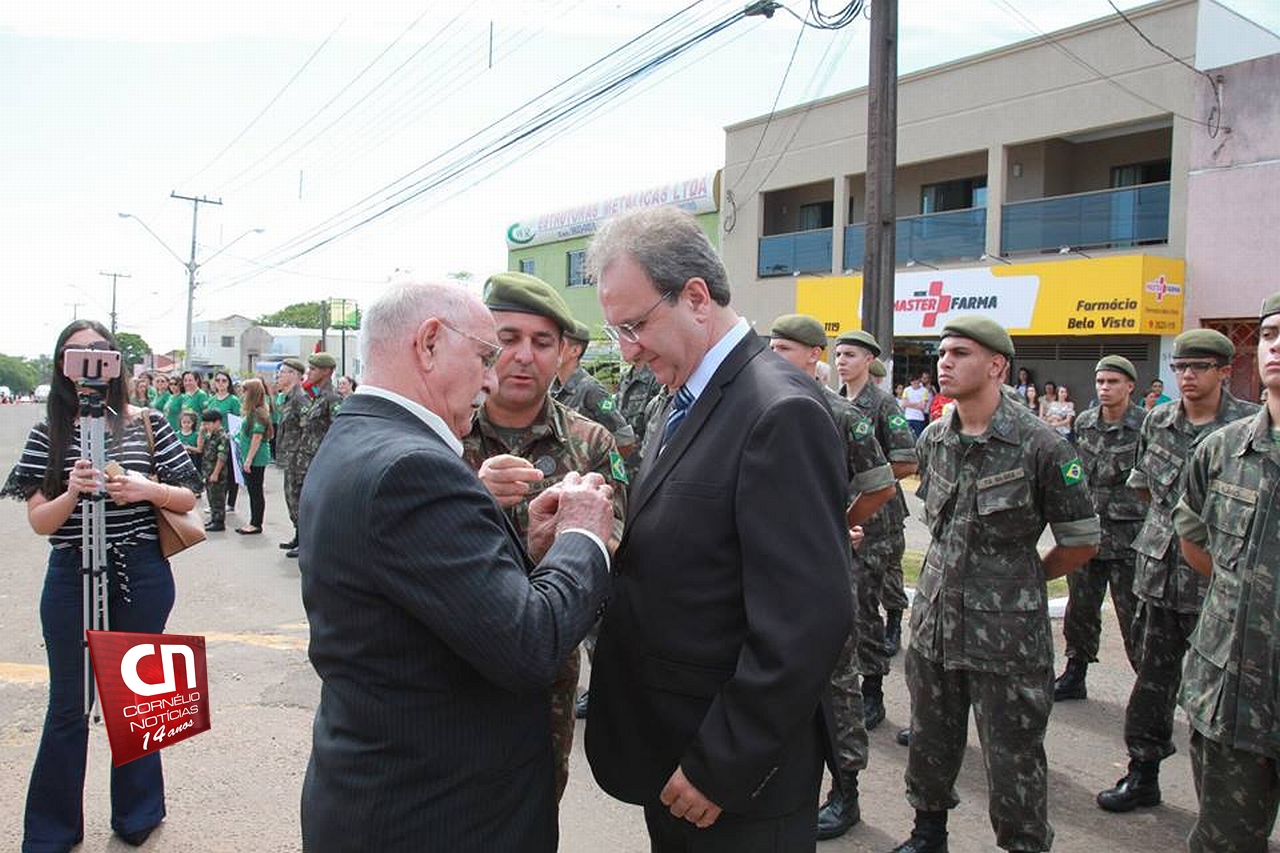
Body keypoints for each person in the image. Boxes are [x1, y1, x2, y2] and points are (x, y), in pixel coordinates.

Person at [298, 280, 613, 853]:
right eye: (486, 355)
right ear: (429, 343)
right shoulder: (414, 467)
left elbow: (440, 597)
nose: (492, 378)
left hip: (392, 795)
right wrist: (582, 536)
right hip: (438, 816)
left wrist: (533, 550)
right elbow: (529, 644)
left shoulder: (363, 436)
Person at [583, 207, 852, 852]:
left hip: (729, 783)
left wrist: (720, 765)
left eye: (635, 325)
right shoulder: (684, 398)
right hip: (672, 749)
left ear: (696, 298)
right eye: (616, 330)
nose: (628, 350)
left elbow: (805, 622)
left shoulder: (778, 410)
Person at [889, 316, 1099, 853]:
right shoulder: (936, 438)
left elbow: (1080, 541)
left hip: (1006, 638)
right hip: (936, 623)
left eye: (960, 353)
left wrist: (1022, 582)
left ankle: (1024, 844)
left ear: (997, 365)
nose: (945, 362)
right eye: (942, 353)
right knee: (931, 739)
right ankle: (927, 832)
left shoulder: (1042, 445)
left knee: (1013, 755)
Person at [3, 320, 200, 853]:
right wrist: (72, 491)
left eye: (98, 351)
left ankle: (138, 813)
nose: (88, 363)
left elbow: (187, 499)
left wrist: (142, 489)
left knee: (138, 698)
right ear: (62, 365)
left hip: (141, 572)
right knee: (68, 704)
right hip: (71, 572)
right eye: (75, 353)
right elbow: (41, 522)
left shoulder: (149, 424)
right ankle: (51, 831)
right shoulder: (52, 431)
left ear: (114, 360)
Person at [461, 272, 628, 804]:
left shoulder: (590, 441)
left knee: (535, 799)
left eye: (542, 342)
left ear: (563, 355)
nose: (524, 356)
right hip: (453, 652)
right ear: (484, 347)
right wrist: (472, 496)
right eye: (507, 339)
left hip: (547, 661)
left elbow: (612, 540)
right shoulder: (444, 433)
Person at [1097, 328, 1259, 813]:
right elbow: (1146, 488)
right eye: (1180, 367)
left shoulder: (1249, 426)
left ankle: (1228, 803)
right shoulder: (1160, 420)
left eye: (1199, 367)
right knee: (1151, 683)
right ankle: (1142, 773)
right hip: (1157, 577)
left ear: (1225, 372)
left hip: (1218, 585)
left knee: (1224, 696)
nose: (1187, 376)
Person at [769, 316, 895, 842]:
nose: (774, 356)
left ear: (813, 355)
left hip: (823, 570)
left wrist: (837, 528)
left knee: (837, 682)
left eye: (785, 348)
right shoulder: (762, 406)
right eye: (770, 347)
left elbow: (880, 486)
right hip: (771, 569)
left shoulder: (843, 416)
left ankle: (846, 792)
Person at [1173, 291, 1280, 852]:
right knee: (1225, 841)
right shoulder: (1222, 451)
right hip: (1233, 693)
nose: (1276, 346)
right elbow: (1194, 539)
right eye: (1268, 335)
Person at [1054, 356, 1146, 702]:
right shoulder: (1086, 422)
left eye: (1113, 382)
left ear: (1129, 386)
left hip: (1130, 539)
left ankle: (1147, 683)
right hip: (1088, 533)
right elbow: (1073, 469)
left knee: (1134, 615)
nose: (1105, 388)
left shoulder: (1147, 426)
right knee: (1081, 608)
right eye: (1100, 382)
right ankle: (1075, 673)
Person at [283, 353, 341, 558]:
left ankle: (307, 544)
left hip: (317, 459)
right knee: (298, 498)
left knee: (309, 502)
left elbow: (337, 430)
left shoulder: (332, 398)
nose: (309, 372)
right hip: (303, 458)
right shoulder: (317, 396)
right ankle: (301, 538)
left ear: (326, 372)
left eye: (314, 369)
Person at [551, 320, 637, 455]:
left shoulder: (592, 391)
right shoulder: (551, 389)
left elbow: (624, 440)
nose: (552, 349)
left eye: (560, 344)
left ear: (575, 350)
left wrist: (601, 467)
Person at [273, 358, 306, 552]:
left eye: (283, 372)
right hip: (289, 456)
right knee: (291, 498)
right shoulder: (288, 398)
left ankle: (304, 542)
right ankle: (298, 535)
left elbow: (307, 429)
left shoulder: (300, 399)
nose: (280, 375)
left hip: (298, 458)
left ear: (294, 375)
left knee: (298, 498)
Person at [233, 378, 272, 535]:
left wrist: (248, 459)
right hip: (252, 456)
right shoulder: (254, 411)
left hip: (256, 458)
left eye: (245, 391)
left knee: (255, 491)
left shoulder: (258, 412)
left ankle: (256, 523)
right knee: (253, 490)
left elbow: (257, 437)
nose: (243, 394)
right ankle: (254, 521)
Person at [614, 362, 662, 479]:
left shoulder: (656, 378)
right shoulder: (625, 378)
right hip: (622, 466)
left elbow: (656, 431)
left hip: (643, 468)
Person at [206, 371, 242, 513]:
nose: (220, 383)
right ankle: (216, 502)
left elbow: (237, 420)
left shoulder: (233, 400)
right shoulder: (212, 399)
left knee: (230, 473)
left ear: (228, 383)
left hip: (228, 439)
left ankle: (230, 503)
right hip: (213, 440)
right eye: (218, 380)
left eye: (224, 381)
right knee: (214, 471)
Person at [199, 409, 229, 532]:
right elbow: (201, 449)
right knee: (211, 496)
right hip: (208, 470)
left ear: (217, 422)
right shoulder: (209, 434)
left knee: (218, 497)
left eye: (208, 424)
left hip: (218, 473)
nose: (206, 426)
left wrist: (216, 473)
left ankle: (219, 521)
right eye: (204, 424)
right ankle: (213, 518)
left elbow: (222, 457)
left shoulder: (222, 436)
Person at [901, 373, 930, 437]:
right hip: (908, 417)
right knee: (908, 438)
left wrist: (909, 404)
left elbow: (923, 406)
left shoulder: (924, 391)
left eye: (916, 380)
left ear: (919, 380)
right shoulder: (906, 390)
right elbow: (903, 404)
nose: (914, 382)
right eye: (912, 381)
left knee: (918, 438)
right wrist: (918, 403)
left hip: (919, 418)